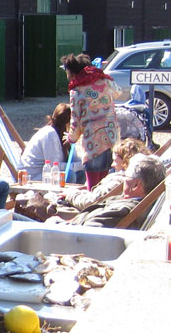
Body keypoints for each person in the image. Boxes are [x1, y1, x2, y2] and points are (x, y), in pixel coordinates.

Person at [48, 137, 145, 222]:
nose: (112, 165)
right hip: (91, 210)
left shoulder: (121, 181)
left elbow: (93, 201)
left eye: (115, 161)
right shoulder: (127, 179)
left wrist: (70, 195)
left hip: (87, 214)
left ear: (125, 161)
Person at [62, 53, 119, 190]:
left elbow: (75, 120)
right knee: (105, 186)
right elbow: (118, 92)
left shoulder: (76, 90)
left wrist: (71, 138)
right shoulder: (105, 81)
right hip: (111, 137)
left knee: (93, 187)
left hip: (93, 142)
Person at [73, 154, 164, 227]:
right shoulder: (144, 204)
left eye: (126, 177)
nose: (123, 180)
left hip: (72, 235)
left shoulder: (123, 210)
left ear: (136, 185)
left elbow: (90, 232)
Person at [20, 102, 70, 182]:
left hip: (45, 173)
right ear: (67, 123)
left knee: (80, 172)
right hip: (31, 176)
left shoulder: (63, 135)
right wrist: (78, 166)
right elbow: (54, 166)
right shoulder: (50, 134)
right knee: (69, 174)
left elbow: (74, 159)